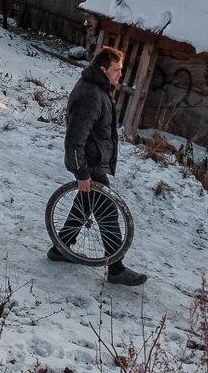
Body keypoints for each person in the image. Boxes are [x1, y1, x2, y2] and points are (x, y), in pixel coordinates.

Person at [48, 46, 147, 286]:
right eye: (117, 70)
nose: (120, 75)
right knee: (108, 213)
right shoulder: (90, 94)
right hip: (90, 165)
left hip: (94, 162)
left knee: (84, 205)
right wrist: (81, 172)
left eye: (121, 70)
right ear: (103, 69)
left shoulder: (97, 89)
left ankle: (61, 249)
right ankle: (116, 268)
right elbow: (75, 138)